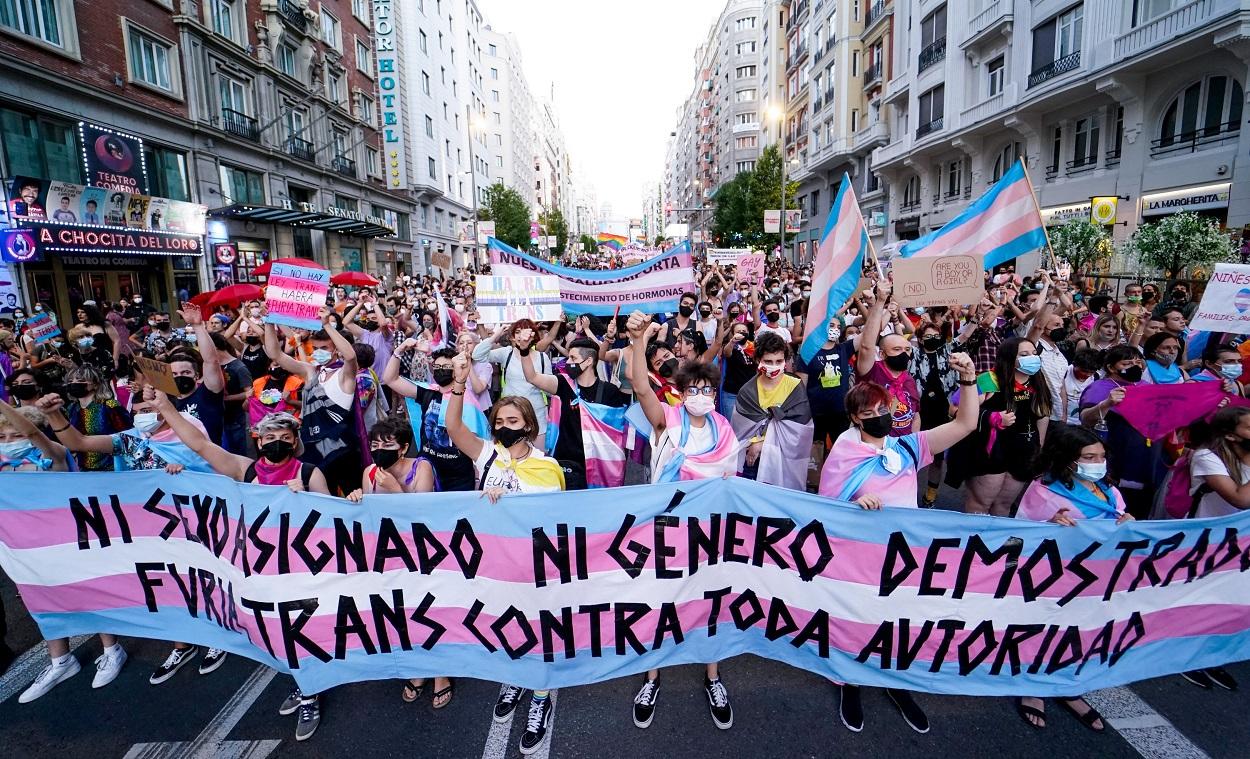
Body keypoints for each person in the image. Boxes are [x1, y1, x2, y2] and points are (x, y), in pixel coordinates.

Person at [150, 395, 333, 739]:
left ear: (295, 441)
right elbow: (200, 445)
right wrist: (165, 409)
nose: (276, 443)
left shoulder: (309, 472)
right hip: (259, 569)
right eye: (269, 438)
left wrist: (307, 495)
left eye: (284, 438)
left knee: (301, 631)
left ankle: (310, 693)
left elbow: (331, 522)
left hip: (300, 568)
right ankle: (304, 682)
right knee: (276, 633)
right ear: (258, 441)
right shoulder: (244, 470)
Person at [818, 352, 979, 733]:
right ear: (856, 418)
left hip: (904, 557)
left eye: (885, 407)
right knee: (856, 618)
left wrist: (969, 379)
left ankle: (893, 680)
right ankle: (850, 681)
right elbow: (824, 508)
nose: (881, 415)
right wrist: (854, 503)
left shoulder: (907, 448)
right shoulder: (843, 454)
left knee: (898, 621)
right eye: (872, 410)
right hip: (855, 559)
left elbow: (966, 423)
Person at [443, 354, 564, 756]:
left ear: (528, 425)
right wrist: (459, 385)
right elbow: (454, 428)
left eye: (513, 422)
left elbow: (554, 518)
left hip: (535, 567)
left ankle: (541, 696)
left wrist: (510, 499)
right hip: (493, 566)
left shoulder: (548, 466)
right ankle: (514, 677)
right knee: (507, 624)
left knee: (540, 627)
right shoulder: (487, 455)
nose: (504, 427)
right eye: (499, 421)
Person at [625, 310, 738, 730]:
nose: (702, 394)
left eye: (709, 389)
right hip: (667, 530)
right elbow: (639, 385)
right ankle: (652, 676)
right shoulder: (666, 421)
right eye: (695, 389)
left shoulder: (724, 429)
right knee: (661, 602)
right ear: (681, 391)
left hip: (711, 532)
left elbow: (731, 481)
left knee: (710, 603)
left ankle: (713, 676)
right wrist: (637, 341)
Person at [0, 401, 130, 702]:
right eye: (3, 437)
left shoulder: (53, 455)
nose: (9, 443)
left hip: (70, 540)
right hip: (26, 549)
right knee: (42, 600)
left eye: (14, 436)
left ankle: (112, 650)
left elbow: (32, 434)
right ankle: (61, 662)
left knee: (89, 594)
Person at [1014, 424, 1134, 730]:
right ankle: (1034, 688)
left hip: (1098, 576)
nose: (1097, 464)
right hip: (1057, 578)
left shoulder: (1107, 488)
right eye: (1089, 457)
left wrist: (1128, 523)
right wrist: (1049, 524)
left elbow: (1119, 520)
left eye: (1100, 457)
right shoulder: (1045, 490)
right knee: (1045, 629)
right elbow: (1020, 533)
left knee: (1081, 632)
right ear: (1068, 459)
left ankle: (1067, 686)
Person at [345, 417, 448, 709]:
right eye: (375, 444)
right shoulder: (369, 472)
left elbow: (421, 516)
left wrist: (394, 489)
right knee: (402, 614)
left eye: (387, 444)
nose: (379, 450)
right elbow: (368, 514)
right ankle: (417, 669)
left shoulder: (422, 468)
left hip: (424, 552)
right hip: (390, 555)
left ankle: (440, 671)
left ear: (403, 448)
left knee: (430, 611)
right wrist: (357, 497)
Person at [263, 311, 363, 496]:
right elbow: (275, 354)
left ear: (336, 350)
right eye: (315, 348)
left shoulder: (344, 375)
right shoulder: (310, 371)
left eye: (324, 348)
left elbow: (350, 357)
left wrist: (326, 325)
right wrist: (269, 321)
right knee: (318, 500)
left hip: (342, 450)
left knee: (353, 500)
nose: (318, 353)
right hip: (312, 447)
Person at [519, 337, 630, 489]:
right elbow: (532, 377)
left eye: (573, 358)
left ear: (589, 361)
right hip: (566, 461)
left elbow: (617, 434)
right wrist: (524, 351)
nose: (568, 362)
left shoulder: (609, 391)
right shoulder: (563, 384)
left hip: (598, 463)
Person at [962, 337, 1053, 516]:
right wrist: (992, 417)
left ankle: (997, 541)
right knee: (980, 503)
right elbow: (956, 409)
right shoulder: (989, 379)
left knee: (1004, 504)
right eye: (1024, 354)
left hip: (1024, 450)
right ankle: (973, 540)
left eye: (1034, 353)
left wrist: (1038, 446)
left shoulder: (1038, 381)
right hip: (991, 449)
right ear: (1009, 357)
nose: (1032, 358)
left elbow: (1043, 415)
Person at [383, 343, 485, 492]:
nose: (440, 371)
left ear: (456, 370)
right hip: (427, 470)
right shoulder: (428, 393)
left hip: (458, 477)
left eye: (446, 367)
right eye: (437, 367)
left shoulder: (466, 400)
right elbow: (391, 380)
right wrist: (398, 351)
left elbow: (476, 437)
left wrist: (478, 476)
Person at [731, 332, 813, 489]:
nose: (774, 366)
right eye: (768, 361)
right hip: (753, 461)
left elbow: (800, 427)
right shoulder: (747, 392)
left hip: (784, 461)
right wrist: (758, 442)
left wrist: (762, 442)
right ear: (757, 360)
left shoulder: (795, 386)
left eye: (779, 361)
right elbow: (739, 432)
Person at [1079, 345, 1154, 518]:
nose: (1135, 367)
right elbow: (1086, 419)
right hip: (1114, 457)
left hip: (1144, 458)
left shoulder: (1146, 387)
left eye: (1137, 362)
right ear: (1112, 367)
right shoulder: (1099, 388)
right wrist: (1107, 403)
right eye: (1127, 363)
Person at [856, 281, 921, 436]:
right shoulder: (872, 372)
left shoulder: (909, 380)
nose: (903, 353)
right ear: (882, 354)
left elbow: (916, 415)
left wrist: (912, 442)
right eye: (896, 349)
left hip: (903, 449)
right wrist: (879, 301)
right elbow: (866, 346)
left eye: (907, 350)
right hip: (876, 446)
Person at [473, 318, 554, 436]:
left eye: (525, 331)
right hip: (510, 413)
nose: (521, 335)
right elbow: (477, 356)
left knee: (536, 453)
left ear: (533, 335)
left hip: (536, 414)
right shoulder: (507, 353)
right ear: (512, 337)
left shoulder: (542, 357)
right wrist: (497, 334)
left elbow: (549, 390)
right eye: (517, 332)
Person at [63, 364, 132, 471]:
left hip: (112, 468)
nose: (74, 383)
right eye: (71, 381)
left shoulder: (110, 405)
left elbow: (128, 436)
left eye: (80, 380)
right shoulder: (72, 408)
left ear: (95, 384)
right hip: (82, 470)